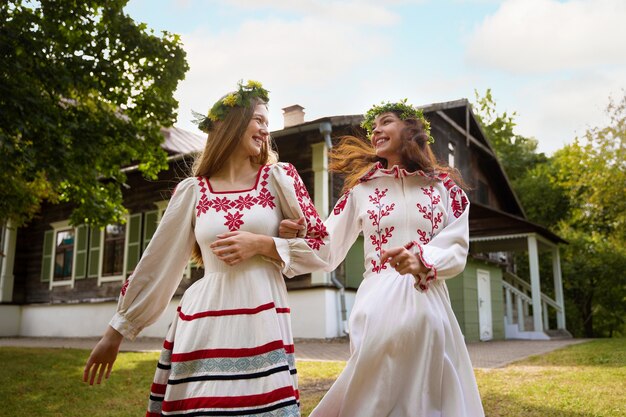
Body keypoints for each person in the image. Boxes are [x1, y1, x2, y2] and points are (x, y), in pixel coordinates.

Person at [83, 80, 329, 417]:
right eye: (257, 119)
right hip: (204, 318)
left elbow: (320, 247)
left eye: (266, 123)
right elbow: (157, 262)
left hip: (262, 318)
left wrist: (266, 243)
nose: (264, 129)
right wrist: (115, 333)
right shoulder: (192, 191)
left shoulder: (279, 178)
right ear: (230, 125)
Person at [279, 100, 485, 416]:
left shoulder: (445, 188)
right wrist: (298, 236)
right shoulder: (360, 189)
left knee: (429, 386)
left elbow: (457, 245)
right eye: (373, 126)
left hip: (427, 296)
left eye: (385, 122)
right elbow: (328, 247)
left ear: (412, 130)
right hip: (377, 298)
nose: (375, 130)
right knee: (375, 389)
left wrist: (422, 261)